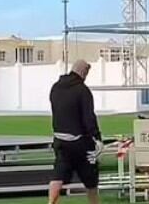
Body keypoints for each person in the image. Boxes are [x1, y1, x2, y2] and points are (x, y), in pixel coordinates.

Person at [48, 60, 103, 204]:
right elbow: (88, 117)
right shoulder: (82, 90)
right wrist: (97, 138)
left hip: (60, 141)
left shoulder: (55, 88)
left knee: (57, 177)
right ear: (84, 73)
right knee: (91, 182)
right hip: (81, 143)